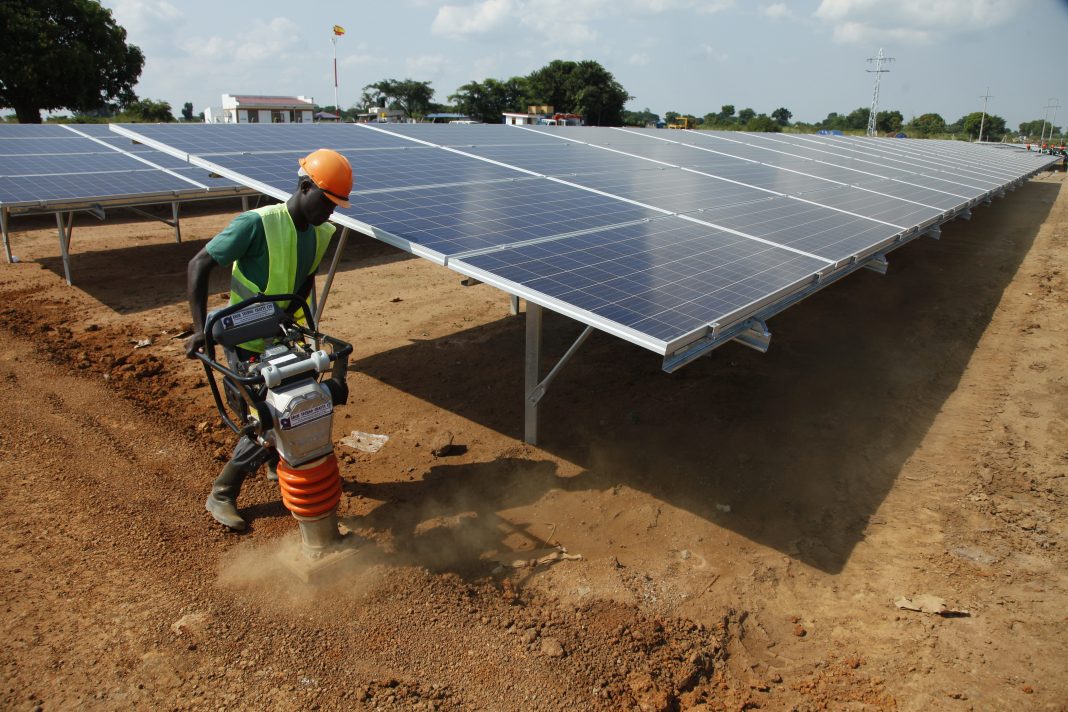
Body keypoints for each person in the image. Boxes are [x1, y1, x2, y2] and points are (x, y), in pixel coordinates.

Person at [185, 148, 353, 530]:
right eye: (327, 202)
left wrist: (302, 328)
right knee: (269, 420)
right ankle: (222, 493)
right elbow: (198, 264)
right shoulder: (256, 224)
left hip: (285, 339)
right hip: (245, 343)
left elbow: (304, 278)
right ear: (305, 186)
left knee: (301, 407)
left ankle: (281, 464)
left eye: (336, 206)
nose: (330, 213)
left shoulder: (322, 232)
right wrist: (200, 331)